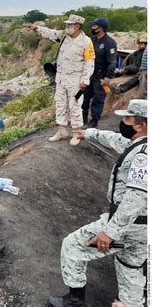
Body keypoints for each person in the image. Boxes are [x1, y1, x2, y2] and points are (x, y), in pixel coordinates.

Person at [48, 99, 147, 307]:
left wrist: (110, 232)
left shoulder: (144, 156)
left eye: (127, 119)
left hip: (130, 224)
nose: (123, 122)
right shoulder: (139, 144)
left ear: (141, 125)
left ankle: (75, 303)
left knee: (73, 245)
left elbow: (136, 198)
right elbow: (114, 139)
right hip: (143, 230)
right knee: (130, 267)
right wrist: (88, 133)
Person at [27, 14, 95, 146]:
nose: (67, 26)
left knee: (75, 105)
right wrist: (37, 28)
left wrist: (85, 80)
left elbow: (89, 62)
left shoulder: (86, 42)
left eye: (69, 25)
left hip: (75, 79)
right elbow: (51, 33)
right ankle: (62, 130)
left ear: (77, 26)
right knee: (60, 103)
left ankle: (76, 133)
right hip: (61, 77)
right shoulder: (64, 36)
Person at [82, 18, 117, 129]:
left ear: (101, 28)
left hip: (101, 76)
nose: (92, 27)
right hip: (90, 74)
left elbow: (112, 62)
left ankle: (94, 121)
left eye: (94, 26)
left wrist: (108, 77)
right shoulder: (92, 40)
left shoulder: (110, 43)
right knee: (85, 97)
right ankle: (82, 119)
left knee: (98, 99)